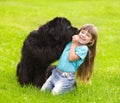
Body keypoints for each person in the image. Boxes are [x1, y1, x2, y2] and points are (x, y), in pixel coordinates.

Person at [41, 24, 98, 95]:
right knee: (43, 91)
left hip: (66, 77)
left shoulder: (83, 49)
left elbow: (71, 58)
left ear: (91, 41)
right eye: (82, 32)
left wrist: (74, 44)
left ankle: (70, 87)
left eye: (87, 35)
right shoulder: (70, 41)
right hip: (56, 73)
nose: (83, 35)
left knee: (54, 94)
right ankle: (63, 85)